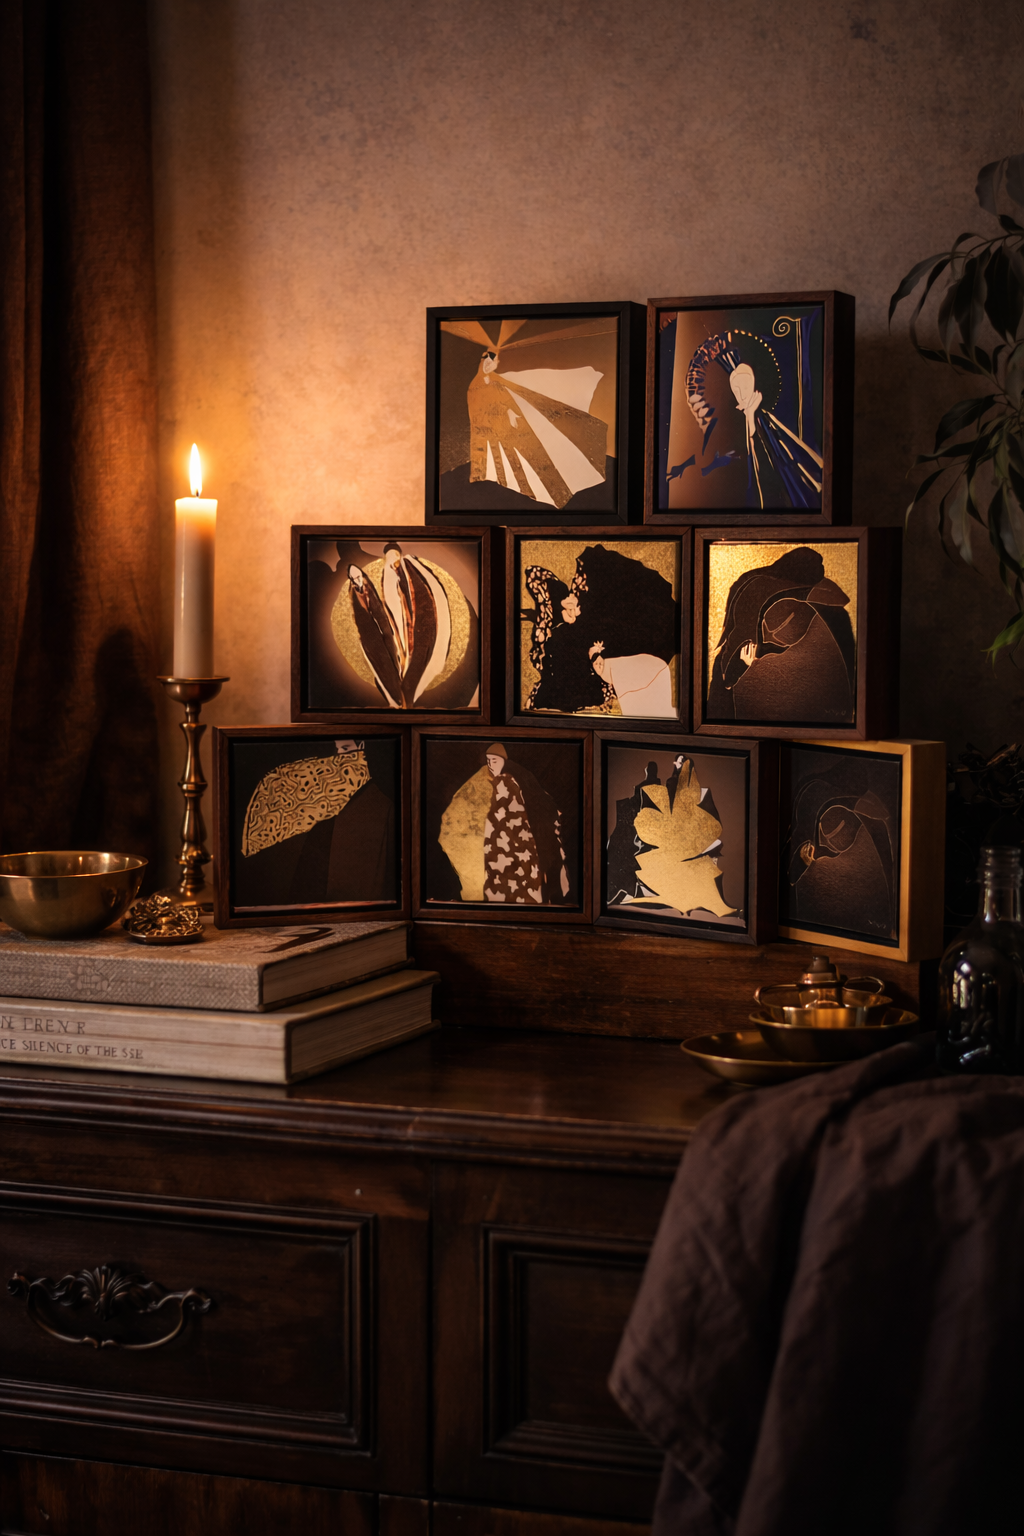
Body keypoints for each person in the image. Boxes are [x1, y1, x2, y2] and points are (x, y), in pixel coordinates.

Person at [438, 743, 569, 905]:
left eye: (494, 760)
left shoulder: (511, 782)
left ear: (503, 760)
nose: (490, 765)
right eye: (488, 760)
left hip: (517, 853)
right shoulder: (491, 782)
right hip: (502, 854)